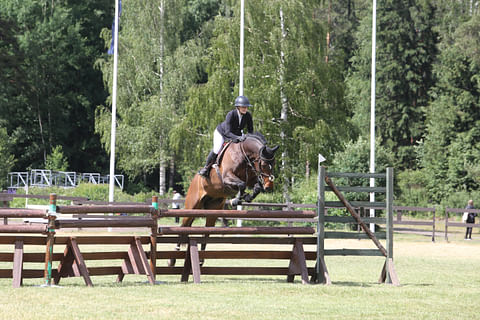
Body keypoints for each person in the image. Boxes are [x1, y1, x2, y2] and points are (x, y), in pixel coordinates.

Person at [198, 95, 254, 177]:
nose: (245, 109)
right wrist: (238, 138)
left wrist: (250, 139)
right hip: (222, 133)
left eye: (246, 107)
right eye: (243, 107)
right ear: (238, 107)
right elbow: (228, 132)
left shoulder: (248, 115)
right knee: (217, 149)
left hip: (236, 134)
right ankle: (206, 168)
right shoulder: (231, 114)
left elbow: (250, 130)